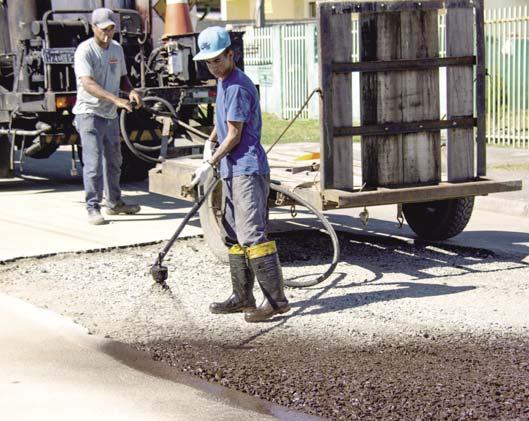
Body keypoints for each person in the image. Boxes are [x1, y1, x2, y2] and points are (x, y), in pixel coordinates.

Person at [191, 26, 290, 323]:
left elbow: (234, 135)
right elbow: (224, 121)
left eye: (218, 60)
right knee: (233, 232)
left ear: (231, 54)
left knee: (251, 234)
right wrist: (210, 141)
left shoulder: (236, 85)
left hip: (246, 168)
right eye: (208, 62)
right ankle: (242, 297)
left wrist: (210, 162)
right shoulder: (223, 81)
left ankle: (276, 301)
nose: (213, 66)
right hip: (231, 169)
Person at [73, 8, 142, 225]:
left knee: (114, 161)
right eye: (103, 29)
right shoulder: (85, 51)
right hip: (89, 113)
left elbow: (123, 77)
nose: (108, 33)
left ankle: (114, 203)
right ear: (93, 27)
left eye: (111, 29)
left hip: (110, 115)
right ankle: (93, 208)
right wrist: (116, 99)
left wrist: (130, 91)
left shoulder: (117, 49)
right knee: (93, 164)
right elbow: (88, 84)